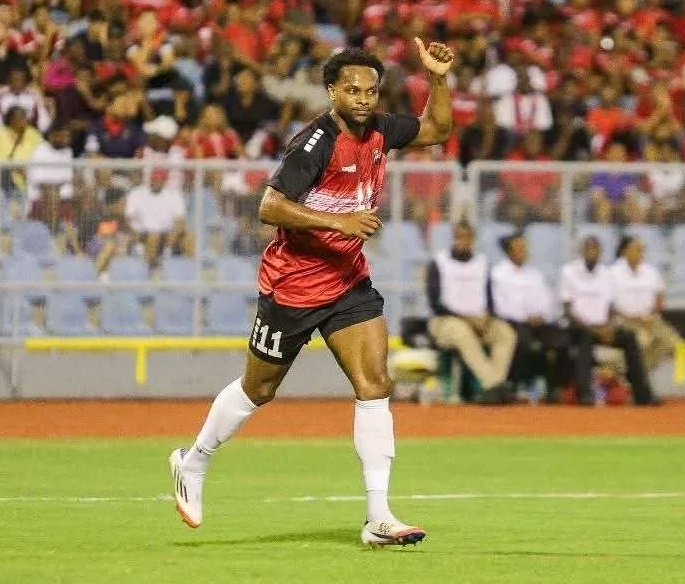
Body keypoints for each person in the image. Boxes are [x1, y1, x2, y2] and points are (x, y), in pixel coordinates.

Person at [169, 41, 455, 546]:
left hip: (347, 282)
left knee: (375, 384)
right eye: (352, 90)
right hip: (294, 286)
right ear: (331, 92)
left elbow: (436, 130)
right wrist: (340, 221)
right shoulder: (314, 143)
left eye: (370, 90)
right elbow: (270, 206)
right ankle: (193, 462)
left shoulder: (381, 130)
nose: (363, 98)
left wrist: (437, 78)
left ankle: (378, 516)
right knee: (258, 390)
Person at [559, 236, 660, 406]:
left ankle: (643, 395)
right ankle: (586, 394)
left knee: (629, 337)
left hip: (603, 327)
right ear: (582, 251)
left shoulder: (606, 274)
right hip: (579, 327)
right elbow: (567, 310)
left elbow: (612, 308)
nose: (592, 252)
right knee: (585, 338)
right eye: (589, 249)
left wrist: (610, 327)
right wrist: (591, 328)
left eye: (596, 249)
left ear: (600, 253)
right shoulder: (568, 272)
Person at [425, 221, 517, 403]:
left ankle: (492, 389)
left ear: (473, 239)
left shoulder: (482, 263)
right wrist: (467, 319)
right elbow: (435, 303)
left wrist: (488, 317)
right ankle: (494, 385)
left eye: (467, 237)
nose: (463, 241)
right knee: (462, 332)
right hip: (446, 322)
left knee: (506, 333)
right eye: (459, 237)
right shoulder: (439, 262)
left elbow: (489, 298)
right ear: (453, 238)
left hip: (480, 320)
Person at [489, 233, 570, 402]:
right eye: (519, 248)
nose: (523, 252)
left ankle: (554, 387)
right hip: (513, 321)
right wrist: (525, 317)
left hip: (538, 322)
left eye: (525, 248)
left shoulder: (534, 275)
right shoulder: (499, 274)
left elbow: (546, 302)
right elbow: (500, 307)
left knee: (561, 340)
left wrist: (542, 316)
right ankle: (517, 384)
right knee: (524, 342)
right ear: (509, 251)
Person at [610, 236, 685, 373]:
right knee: (643, 343)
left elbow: (660, 296)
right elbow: (609, 306)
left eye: (642, 250)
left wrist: (654, 314)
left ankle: (678, 381)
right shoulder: (612, 273)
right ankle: (631, 375)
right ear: (624, 251)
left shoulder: (651, 271)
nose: (641, 253)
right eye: (637, 249)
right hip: (624, 322)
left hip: (650, 320)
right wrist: (633, 319)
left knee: (679, 346)